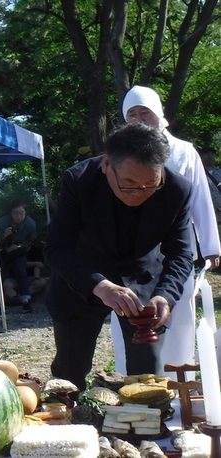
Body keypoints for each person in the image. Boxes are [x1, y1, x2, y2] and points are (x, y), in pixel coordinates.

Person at [46, 123, 194, 391]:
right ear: (106, 165)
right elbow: (58, 247)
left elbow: (182, 253)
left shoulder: (177, 190)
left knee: (148, 378)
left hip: (142, 284)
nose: (140, 194)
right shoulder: (79, 181)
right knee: (69, 373)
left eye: (151, 185)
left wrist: (166, 295)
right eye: (129, 185)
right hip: (81, 280)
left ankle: (143, 429)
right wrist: (100, 285)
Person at [111, 85, 221, 376]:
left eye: (144, 111)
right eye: (131, 114)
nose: (138, 118)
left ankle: (176, 381)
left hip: (176, 249)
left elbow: (198, 196)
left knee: (179, 313)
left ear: (158, 113)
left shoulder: (184, 151)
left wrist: (211, 246)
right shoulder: (117, 157)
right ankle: (133, 382)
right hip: (131, 252)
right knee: (129, 315)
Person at [0, 200, 37, 311]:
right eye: (15, 213)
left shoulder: (30, 224)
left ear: (25, 213)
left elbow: (31, 242)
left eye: (21, 213)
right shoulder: (2, 222)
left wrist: (19, 247)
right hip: (4, 253)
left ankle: (25, 299)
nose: (18, 216)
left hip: (21, 252)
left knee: (20, 269)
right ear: (11, 213)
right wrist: (4, 236)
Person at [200, 148, 221, 249]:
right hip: (206, 214)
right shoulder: (197, 174)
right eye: (206, 154)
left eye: (211, 154)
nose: (209, 156)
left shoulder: (219, 172)